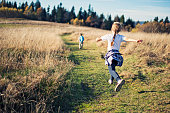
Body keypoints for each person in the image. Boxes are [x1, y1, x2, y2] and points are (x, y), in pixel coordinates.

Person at [96, 22, 143, 92]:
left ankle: (118, 80)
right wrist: (136, 40)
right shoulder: (120, 37)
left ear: (112, 28)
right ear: (119, 30)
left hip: (110, 55)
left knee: (111, 69)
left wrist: (97, 39)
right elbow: (127, 39)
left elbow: (98, 39)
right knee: (113, 67)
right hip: (117, 55)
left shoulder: (108, 36)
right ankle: (111, 80)